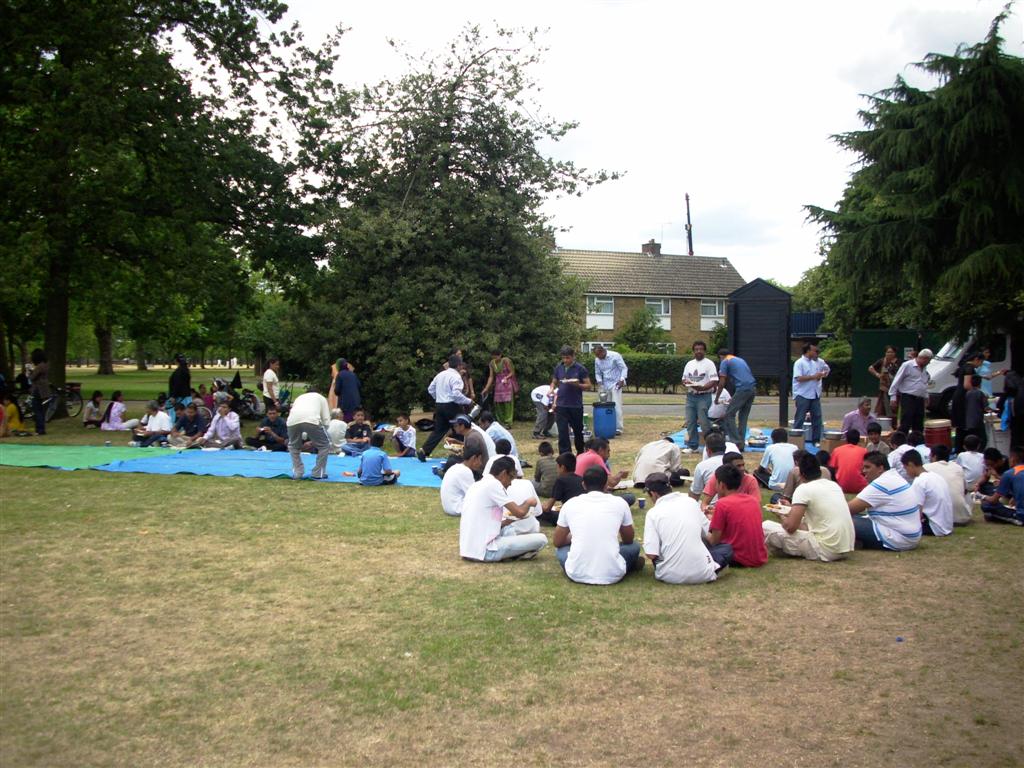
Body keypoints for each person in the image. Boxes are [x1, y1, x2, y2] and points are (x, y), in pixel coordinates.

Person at [554, 466, 644, 584]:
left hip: (576, 572)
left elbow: (558, 542)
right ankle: (628, 564)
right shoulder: (620, 503)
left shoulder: (570, 504)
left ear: (583, 485)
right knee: (634, 547)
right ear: (606, 484)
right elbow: (628, 539)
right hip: (612, 573)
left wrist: (573, 537)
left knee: (561, 550)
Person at [762, 452, 855, 562]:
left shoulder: (803, 489)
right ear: (820, 471)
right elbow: (810, 520)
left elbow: (790, 527)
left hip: (825, 549)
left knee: (765, 526)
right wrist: (791, 508)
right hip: (845, 548)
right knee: (805, 522)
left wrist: (780, 514)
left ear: (801, 475)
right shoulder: (834, 485)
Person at [642, 472, 725, 584]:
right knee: (726, 549)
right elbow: (710, 536)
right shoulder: (691, 502)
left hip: (669, 575)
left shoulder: (653, 513)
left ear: (653, 494)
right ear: (670, 487)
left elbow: (651, 554)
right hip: (703, 573)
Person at [459, 457, 547, 562]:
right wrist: (529, 502)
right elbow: (520, 512)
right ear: (504, 474)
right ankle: (517, 553)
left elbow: (483, 521)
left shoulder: (476, 485)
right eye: (511, 478)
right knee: (542, 539)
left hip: (468, 549)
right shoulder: (494, 484)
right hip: (485, 551)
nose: (510, 484)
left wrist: (506, 522)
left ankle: (516, 552)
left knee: (508, 529)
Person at [847, 452, 922, 551]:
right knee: (852, 518)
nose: (864, 471)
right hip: (910, 535)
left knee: (843, 520)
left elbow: (848, 509)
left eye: (868, 467)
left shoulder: (882, 483)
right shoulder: (894, 477)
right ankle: (857, 541)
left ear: (880, 468)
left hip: (899, 537)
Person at [708, 463, 768, 567]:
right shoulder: (753, 500)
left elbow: (714, 540)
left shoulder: (722, 504)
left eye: (715, 483)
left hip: (737, 558)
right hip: (759, 557)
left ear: (722, 485)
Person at [419, 354, 474, 460]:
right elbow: (456, 395)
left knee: (438, 430)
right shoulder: (456, 376)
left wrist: (438, 397)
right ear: (459, 366)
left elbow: (430, 389)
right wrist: (468, 401)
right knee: (461, 428)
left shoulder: (440, 375)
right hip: (452, 405)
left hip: (439, 405)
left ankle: (425, 450)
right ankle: (462, 452)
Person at [900, 450, 953, 536]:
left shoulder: (919, 481)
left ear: (910, 464)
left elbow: (917, 511)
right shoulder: (936, 476)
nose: (906, 472)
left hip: (934, 527)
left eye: (905, 468)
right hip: (947, 525)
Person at [551, 345, 590, 456]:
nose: (565, 360)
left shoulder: (580, 368)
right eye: (563, 358)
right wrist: (551, 388)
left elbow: (588, 385)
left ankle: (580, 453)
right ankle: (565, 455)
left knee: (578, 430)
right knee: (562, 432)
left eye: (568, 358)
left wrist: (578, 385)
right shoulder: (559, 367)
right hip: (561, 404)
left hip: (575, 405)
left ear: (573, 356)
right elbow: (554, 381)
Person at [681, 340, 719, 454]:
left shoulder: (709, 363)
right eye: (696, 349)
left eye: (701, 349)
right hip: (691, 396)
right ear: (693, 351)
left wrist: (702, 388)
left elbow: (713, 380)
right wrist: (687, 382)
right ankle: (693, 446)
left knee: (704, 422)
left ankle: (710, 446)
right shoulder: (689, 364)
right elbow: (683, 379)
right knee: (690, 421)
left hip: (704, 395)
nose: (698, 351)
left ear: (705, 351)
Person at [715, 348, 756, 450]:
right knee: (743, 417)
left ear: (721, 356)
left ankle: (736, 442)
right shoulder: (740, 360)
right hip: (752, 389)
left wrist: (717, 397)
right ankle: (741, 442)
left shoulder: (725, 361)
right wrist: (734, 398)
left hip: (742, 389)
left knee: (729, 414)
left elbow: (722, 382)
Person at [286, 389, 331, 480]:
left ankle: (298, 472)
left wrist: (306, 436)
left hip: (291, 421)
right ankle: (318, 473)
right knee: (325, 445)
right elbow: (326, 420)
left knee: (293, 446)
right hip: (312, 420)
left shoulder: (299, 397)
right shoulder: (321, 398)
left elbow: (296, 415)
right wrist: (319, 437)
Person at [792, 342, 830, 445]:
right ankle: (796, 439)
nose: (815, 352)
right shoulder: (799, 363)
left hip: (814, 394)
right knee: (800, 418)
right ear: (808, 351)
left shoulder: (815, 363)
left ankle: (816, 440)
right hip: (802, 394)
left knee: (817, 417)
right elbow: (798, 378)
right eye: (813, 350)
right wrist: (814, 377)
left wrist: (819, 376)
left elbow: (820, 373)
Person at [923, 444, 972, 525]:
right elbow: (964, 491)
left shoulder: (926, 468)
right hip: (962, 517)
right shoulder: (957, 467)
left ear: (934, 456)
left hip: (939, 518)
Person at [889, 349, 933, 433]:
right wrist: (893, 396)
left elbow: (923, 382)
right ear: (924, 358)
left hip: (919, 398)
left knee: (919, 423)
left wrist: (926, 396)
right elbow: (897, 380)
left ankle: (917, 441)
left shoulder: (924, 368)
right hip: (908, 397)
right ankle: (901, 441)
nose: (928, 363)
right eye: (928, 361)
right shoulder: (907, 365)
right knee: (906, 421)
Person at [979, 445, 1024, 525]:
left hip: (1021, 515)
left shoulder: (1009, 473)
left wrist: (981, 496)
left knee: (986, 505)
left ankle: (1015, 518)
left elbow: (993, 500)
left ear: (1013, 459)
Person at [539, 453, 585, 525]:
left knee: (539, 513)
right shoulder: (581, 479)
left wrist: (539, 507)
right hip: (582, 515)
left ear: (562, 467)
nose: (556, 470)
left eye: (557, 467)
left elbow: (547, 508)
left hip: (570, 517)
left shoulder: (561, 480)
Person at [440, 445, 486, 517]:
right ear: (474, 458)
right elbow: (475, 495)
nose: (480, 463)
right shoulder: (465, 471)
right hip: (457, 509)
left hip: (449, 507)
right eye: (479, 459)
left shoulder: (455, 467)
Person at [592, 344, 628, 435]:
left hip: (616, 383)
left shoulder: (615, 355)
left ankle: (618, 428)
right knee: (603, 405)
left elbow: (624, 368)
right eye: (596, 356)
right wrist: (599, 382)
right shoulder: (597, 360)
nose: (598, 358)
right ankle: (606, 425)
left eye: (599, 355)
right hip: (605, 384)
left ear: (603, 351)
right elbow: (597, 372)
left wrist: (622, 379)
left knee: (616, 405)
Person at [481, 349, 517, 428]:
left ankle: (508, 422)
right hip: (498, 383)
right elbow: (491, 376)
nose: (495, 358)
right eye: (494, 356)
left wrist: (506, 377)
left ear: (500, 355)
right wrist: (487, 388)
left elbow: (512, 372)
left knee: (507, 403)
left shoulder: (506, 360)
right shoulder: (492, 363)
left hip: (507, 383)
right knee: (498, 402)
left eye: (497, 356)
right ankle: (501, 421)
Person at [690, 432, 727, 501]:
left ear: (708, 451)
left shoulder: (702, 466)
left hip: (712, 508)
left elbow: (694, 494)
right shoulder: (734, 463)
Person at [829, 429, 868, 494]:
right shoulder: (864, 451)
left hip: (840, 486)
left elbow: (832, 468)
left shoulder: (837, 450)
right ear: (858, 440)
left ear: (846, 439)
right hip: (860, 487)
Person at [868, 345, 901, 418]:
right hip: (884, 388)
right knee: (881, 407)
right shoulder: (882, 361)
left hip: (895, 388)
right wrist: (877, 374)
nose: (889, 354)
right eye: (888, 352)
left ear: (895, 353)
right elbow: (871, 368)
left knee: (894, 407)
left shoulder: (898, 362)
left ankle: (893, 423)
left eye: (891, 352)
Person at [961, 374, 988, 450]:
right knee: (983, 439)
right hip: (978, 420)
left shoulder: (967, 393)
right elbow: (985, 407)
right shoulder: (980, 393)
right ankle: (979, 451)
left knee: (971, 439)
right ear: (980, 384)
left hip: (968, 421)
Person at [27, 348, 50, 435]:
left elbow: (32, 377)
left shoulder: (39, 366)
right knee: (40, 410)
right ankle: (40, 428)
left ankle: (40, 429)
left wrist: (29, 372)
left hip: (38, 389)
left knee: (37, 409)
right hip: (44, 390)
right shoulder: (45, 365)